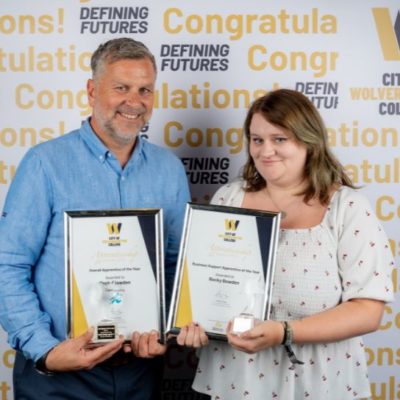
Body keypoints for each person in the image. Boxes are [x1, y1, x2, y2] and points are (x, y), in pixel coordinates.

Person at [0, 37, 190, 399]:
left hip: (140, 373)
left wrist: (166, 330)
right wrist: (46, 352)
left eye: (145, 90)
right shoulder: (45, 164)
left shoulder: (169, 170)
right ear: (92, 90)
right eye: (121, 87)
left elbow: (174, 267)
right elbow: (8, 264)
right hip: (58, 378)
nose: (134, 102)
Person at [177, 89, 394, 399]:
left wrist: (284, 333)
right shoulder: (229, 198)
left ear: (308, 140)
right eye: (257, 139)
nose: (266, 151)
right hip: (239, 379)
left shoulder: (348, 208)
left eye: (279, 139)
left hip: (319, 380)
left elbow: (367, 311)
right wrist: (193, 322)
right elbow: (202, 289)